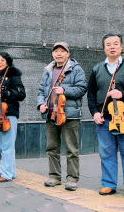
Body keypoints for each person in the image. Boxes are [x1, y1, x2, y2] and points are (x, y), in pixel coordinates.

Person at [87, 33, 124, 200]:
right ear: (104, 48)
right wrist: (95, 112)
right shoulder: (97, 69)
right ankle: (108, 184)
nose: (112, 47)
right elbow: (91, 93)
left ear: (121, 47)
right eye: (108, 44)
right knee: (106, 152)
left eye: (115, 44)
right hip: (104, 118)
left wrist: (123, 94)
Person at [37, 42, 87, 191]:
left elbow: (82, 89)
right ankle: (54, 176)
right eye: (56, 51)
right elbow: (41, 91)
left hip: (69, 115)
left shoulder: (76, 69)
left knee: (71, 148)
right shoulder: (48, 70)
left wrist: (64, 90)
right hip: (51, 114)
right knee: (51, 148)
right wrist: (41, 105)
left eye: (62, 51)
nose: (59, 53)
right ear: (52, 54)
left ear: (68, 54)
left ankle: (72, 179)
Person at [0, 52, 26, 182]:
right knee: (3, 145)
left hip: (9, 115)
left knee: (7, 145)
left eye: (2, 60)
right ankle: (9, 170)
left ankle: (6, 174)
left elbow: (21, 93)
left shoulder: (13, 76)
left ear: (7, 62)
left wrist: (6, 93)